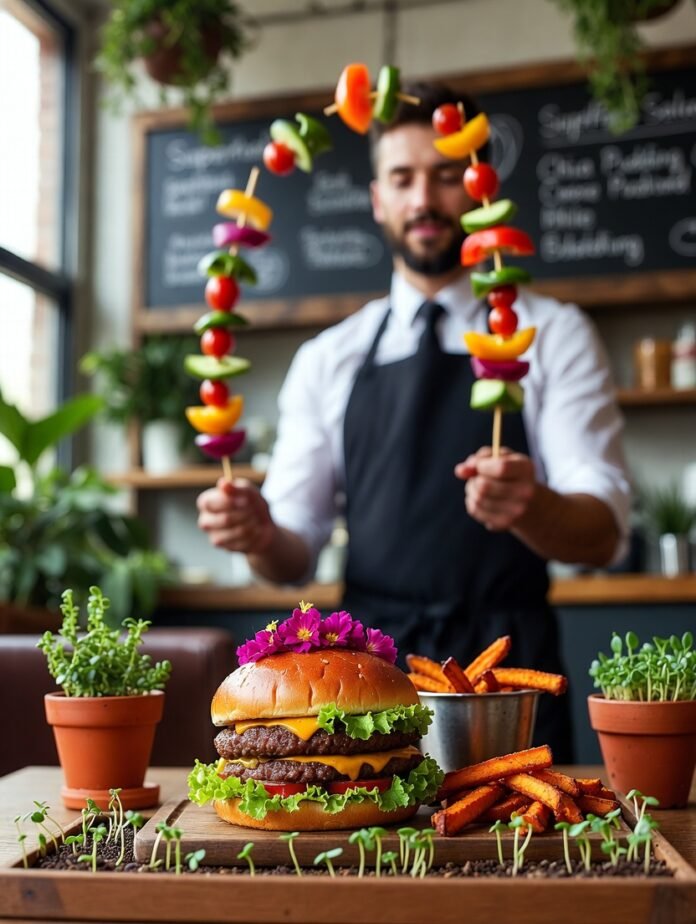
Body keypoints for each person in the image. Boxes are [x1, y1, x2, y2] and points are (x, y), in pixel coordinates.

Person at [196, 82, 631, 761]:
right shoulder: (328, 358)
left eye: (446, 175)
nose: (424, 200)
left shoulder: (553, 333)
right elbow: (292, 552)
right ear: (378, 199)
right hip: (367, 676)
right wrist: (255, 531)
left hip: (507, 678)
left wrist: (532, 505)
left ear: (481, 187)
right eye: (403, 178)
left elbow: (603, 534)